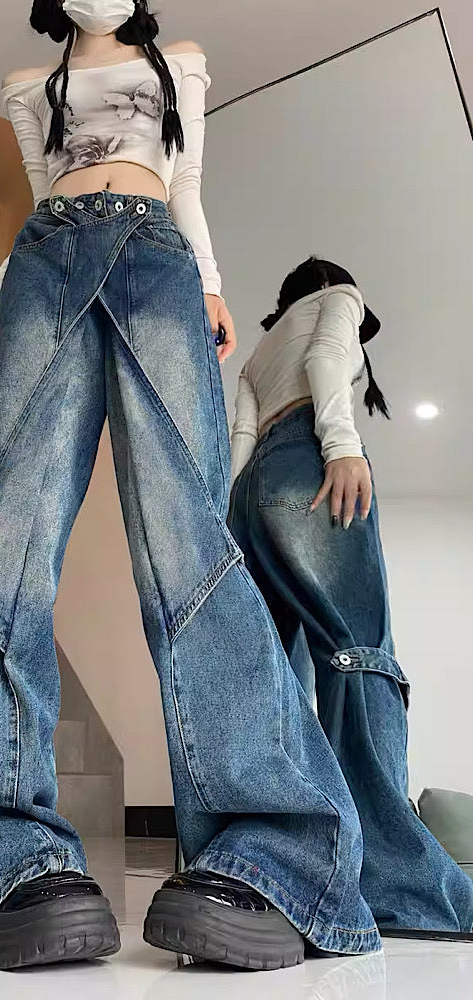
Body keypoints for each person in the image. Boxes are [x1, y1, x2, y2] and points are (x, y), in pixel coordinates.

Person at [0, 4, 382, 972]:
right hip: (43, 264)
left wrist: (211, 281)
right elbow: (47, 192)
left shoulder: (178, 61)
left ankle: (272, 851)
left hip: (160, 257)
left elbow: (182, 178)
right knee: (6, 543)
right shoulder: (31, 89)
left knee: (189, 542)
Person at [227, 256, 473, 936]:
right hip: (306, 462)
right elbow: (329, 358)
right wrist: (341, 445)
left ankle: (283, 871)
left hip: (251, 498)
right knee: (359, 657)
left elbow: (240, 444)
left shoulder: (257, 356)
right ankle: (401, 888)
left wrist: (230, 528)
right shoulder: (339, 297)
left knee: (274, 684)